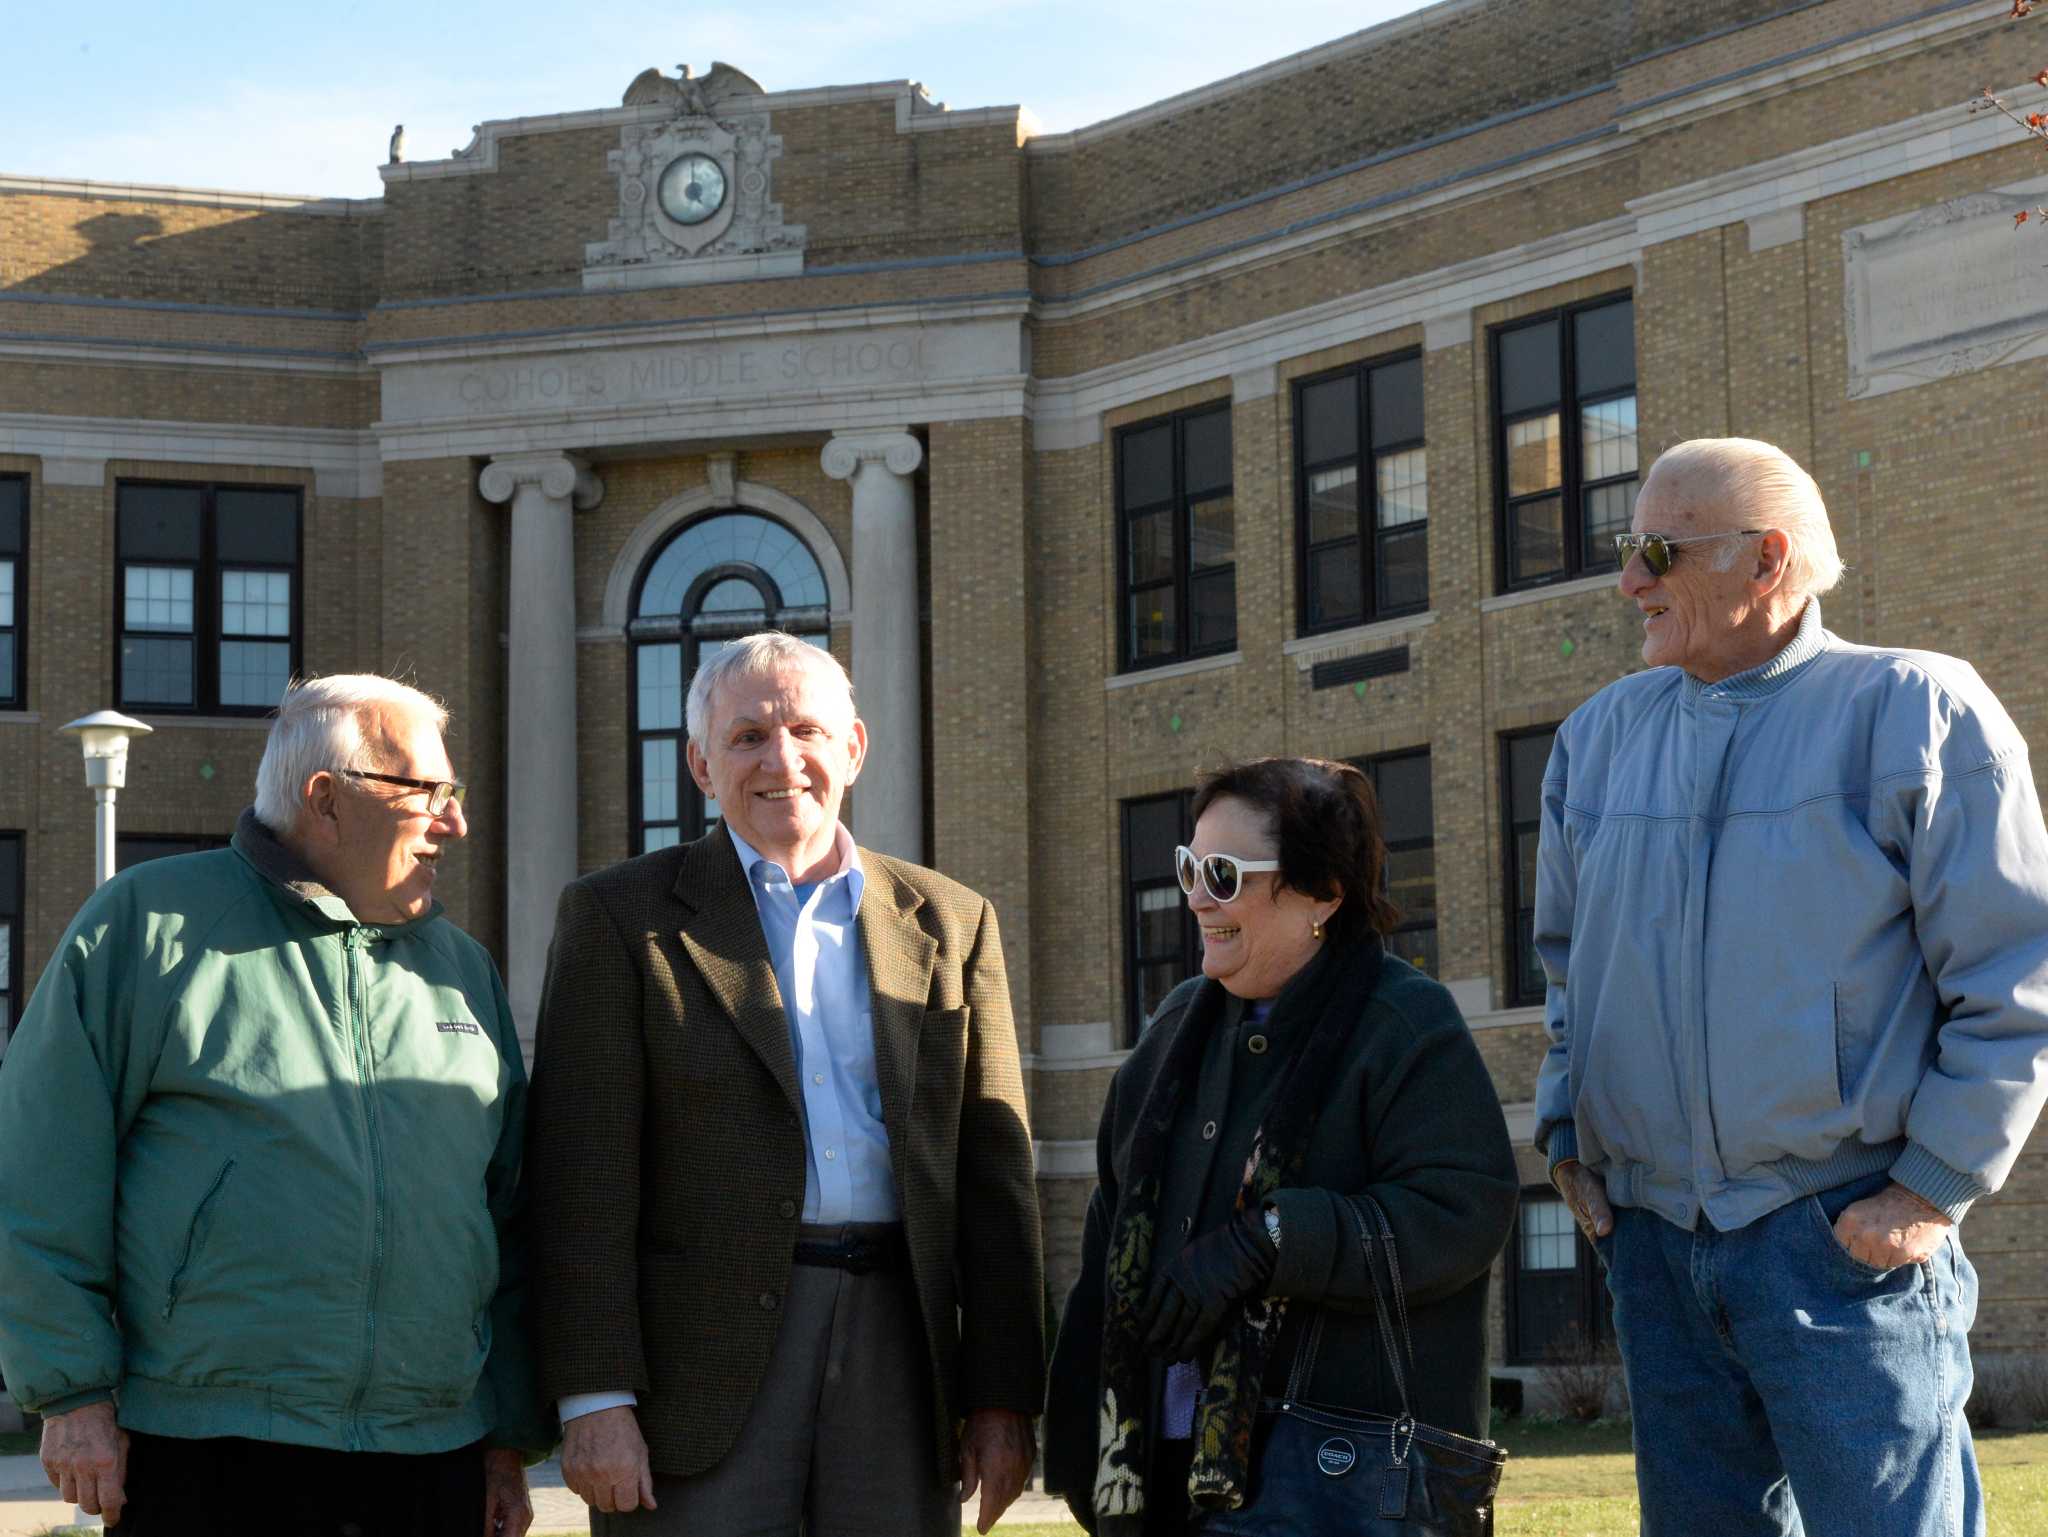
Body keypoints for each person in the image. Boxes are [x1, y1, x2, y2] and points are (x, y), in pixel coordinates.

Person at [1535, 437, 2048, 1537]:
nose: (1627, 582)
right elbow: (1567, 969)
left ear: (1764, 560)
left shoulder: (1915, 710)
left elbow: (2016, 975)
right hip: (1654, 1252)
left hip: (1839, 1242)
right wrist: (1568, 1139)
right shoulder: (1594, 740)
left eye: (1654, 551)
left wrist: (1926, 1189)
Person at [0, 674, 550, 1536]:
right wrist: (71, 1392)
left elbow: (507, 1218)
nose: (455, 822)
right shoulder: (146, 927)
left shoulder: (462, 968)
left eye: (456, 792)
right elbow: (37, 1171)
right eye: (427, 792)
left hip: (433, 1452)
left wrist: (505, 1437)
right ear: (325, 799)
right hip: (208, 1447)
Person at [527, 631, 1043, 1536]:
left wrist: (1002, 1399)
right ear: (698, 762)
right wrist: (593, 1396)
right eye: (747, 737)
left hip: (900, 1346)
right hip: (698, 1370)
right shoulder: (619, 916)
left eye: (806, 728)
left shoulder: (952, 921)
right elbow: (582, 1173)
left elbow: (994, 1182)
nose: (782, 759)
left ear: (853, 745)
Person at [1043, 755, 1518, 1536]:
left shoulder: (1404, 1026)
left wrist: (1273, 1240)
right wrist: (1078, 1450)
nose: (1194, 895)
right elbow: (1107, 1236)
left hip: (1337, 1483)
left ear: (1323, 894)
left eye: (1224, 874)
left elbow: (1464, 1210)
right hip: (1159, 1486)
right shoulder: (1171, 1031)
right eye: (1189, 866)